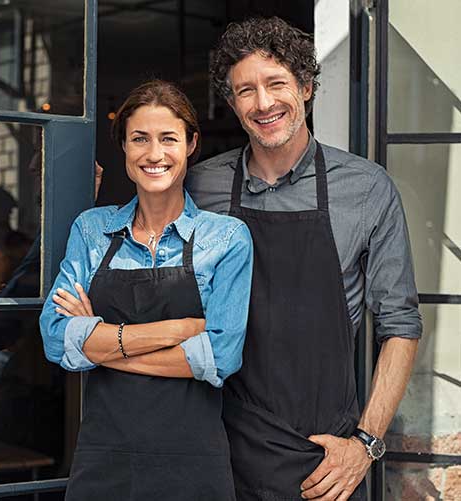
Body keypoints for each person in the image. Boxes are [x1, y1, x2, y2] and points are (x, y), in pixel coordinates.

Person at [184, 17, 421, 501]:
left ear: (306, 87)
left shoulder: (366, 187)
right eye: (245, 90)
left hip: (323, 459)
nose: (263, 103)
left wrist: (366, 443)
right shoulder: (199, 186)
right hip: (216, 445)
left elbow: (400, 325)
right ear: (231, 103)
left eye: (276, 83)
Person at [39, 80, 253, 500]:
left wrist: (101, 343)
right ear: (124, 147)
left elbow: (221, 357)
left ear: (191, 144)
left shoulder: (227, 239)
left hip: (193, 464)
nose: (154, 154)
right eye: (140, 139)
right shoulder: (92, 230)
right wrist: (181, 331)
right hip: (105, 459)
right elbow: (53, 338)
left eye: (168, 138)